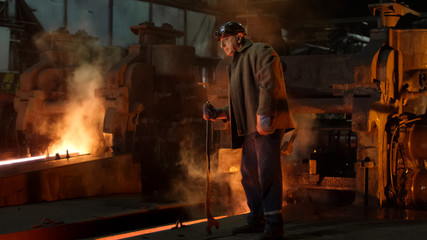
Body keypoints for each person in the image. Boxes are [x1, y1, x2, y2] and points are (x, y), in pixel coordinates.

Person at [203, 22, 295, 240]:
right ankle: (256, 220)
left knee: (267, 174)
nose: (222, 45)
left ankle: (274, 225)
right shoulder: (235, 64)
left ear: (239, 37)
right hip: (250, 130)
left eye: (225, 40)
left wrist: (265, 114)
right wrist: (217, 112)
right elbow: (239, 104)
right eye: (220, 42)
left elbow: (269, 84)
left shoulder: (261, 51)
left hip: (265, 127)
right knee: (249, 176)